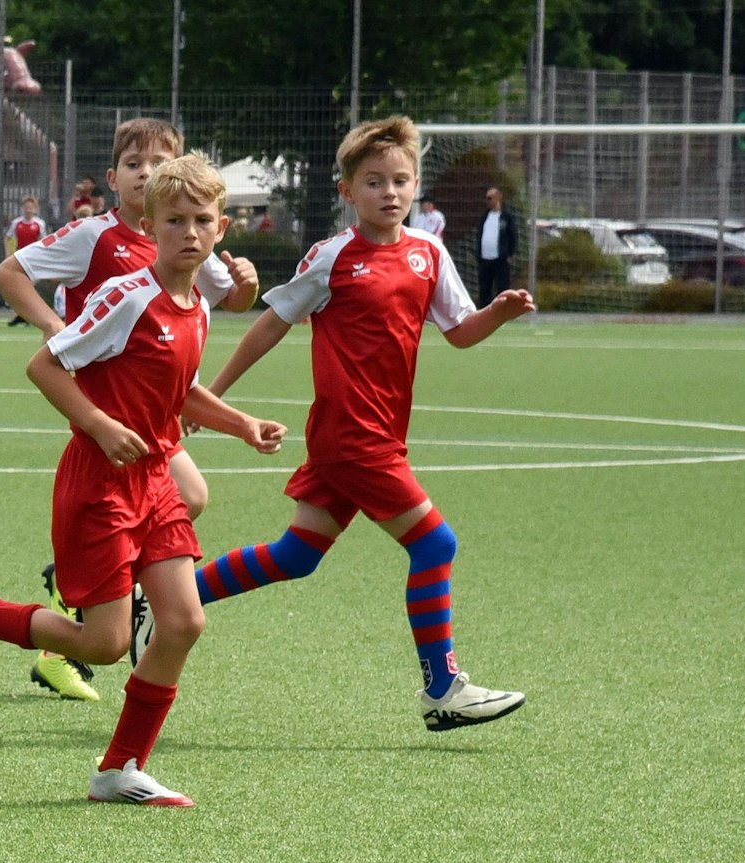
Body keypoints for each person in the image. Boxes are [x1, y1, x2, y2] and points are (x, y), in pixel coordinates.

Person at [0, 154, 289, 808]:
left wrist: (241, 425)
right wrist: (98, 424)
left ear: (221, 229)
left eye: (201, 221)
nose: (189, 233)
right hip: (99, 484)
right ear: (150, 224)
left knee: (183, 623)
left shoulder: (195, 303)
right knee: (105, 644)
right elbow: (45, 366)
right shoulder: (126, 295)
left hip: (153, 484)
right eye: (175, 221)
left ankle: (119, 768)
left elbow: (181, 390)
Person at [202, 116, 533, 732]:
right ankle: (443, 686)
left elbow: (460, 333)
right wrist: (213, 394)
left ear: (415, 188)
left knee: (297, 554)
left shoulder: (428, 253)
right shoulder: (332, 257)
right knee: (436, 544)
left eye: (401, 180)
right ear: (347, 191)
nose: (390, 191)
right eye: (374, 181)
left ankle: (167, 598)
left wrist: (498, 313)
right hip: (354, 438)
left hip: (374, 437)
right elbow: (272, 321)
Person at [0, 117, 260, 703]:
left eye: (161, 163)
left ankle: (93, 595)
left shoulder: (183, 242)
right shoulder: (101, 240)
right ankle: (81, 597)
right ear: (115, 180)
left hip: (152, 408)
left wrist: (245, 281)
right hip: (102, 403)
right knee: (179, 501)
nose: (149, 173)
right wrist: (53, 327)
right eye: (137, 164)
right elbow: (10, 273)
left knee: (189, 502)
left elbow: (232, 299)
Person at [4, 195, 45, 326]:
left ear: (35, 209)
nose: (28, 210)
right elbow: (7, 237)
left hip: (33, 259)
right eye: (26, 207)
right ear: (23, 208)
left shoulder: (39, 224)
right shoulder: (17, 223)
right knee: (19, 287)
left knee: (29, 287)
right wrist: (8, 253)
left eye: (31, 208)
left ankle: (27, 315)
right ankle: (21, 314)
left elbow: (44, 240)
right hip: (20, 258)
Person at [475, 186, 517, 305]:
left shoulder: (506, 217)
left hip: (500, 260)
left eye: (490, 198)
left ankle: (503, 313)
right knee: (484, 288)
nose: (487, 201)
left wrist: (508, 254)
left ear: (498, 198)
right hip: (484, 259)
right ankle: (484, 313)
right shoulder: (485, 217)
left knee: (502, 288)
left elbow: (512, 236)